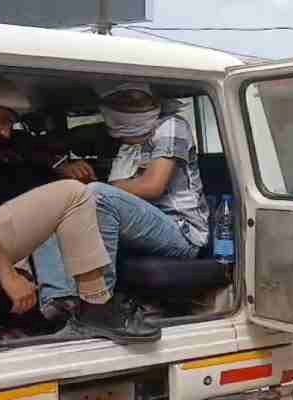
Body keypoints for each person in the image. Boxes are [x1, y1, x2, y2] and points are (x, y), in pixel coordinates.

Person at [0, 72, 160, 344]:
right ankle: (96, 306)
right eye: (3, 120)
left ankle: (57, 305)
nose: (6, 132)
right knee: (74, 194)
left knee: (47, 210)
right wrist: (8, 275)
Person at [34, 82, 209, 321]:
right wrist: (62, 166)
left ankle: (99, 304)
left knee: (97, 194)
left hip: (181, 232)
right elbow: (46, 146)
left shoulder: (171, 126)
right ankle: (60, 301)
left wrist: (94, 189)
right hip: (137, 229)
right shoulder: (120, 138)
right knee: (54, 204)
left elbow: (152, 186)